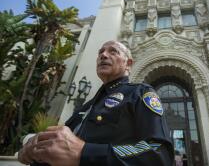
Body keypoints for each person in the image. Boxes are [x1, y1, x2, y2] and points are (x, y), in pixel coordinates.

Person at [18, 40, 174, 166]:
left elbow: (159, 152)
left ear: (128, 63)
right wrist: (35, 153)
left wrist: (86, 152)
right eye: (100, 52)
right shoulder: (85, 107)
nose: (103, 55)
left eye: (113, 51)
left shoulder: (139, 93)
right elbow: (62, 152)